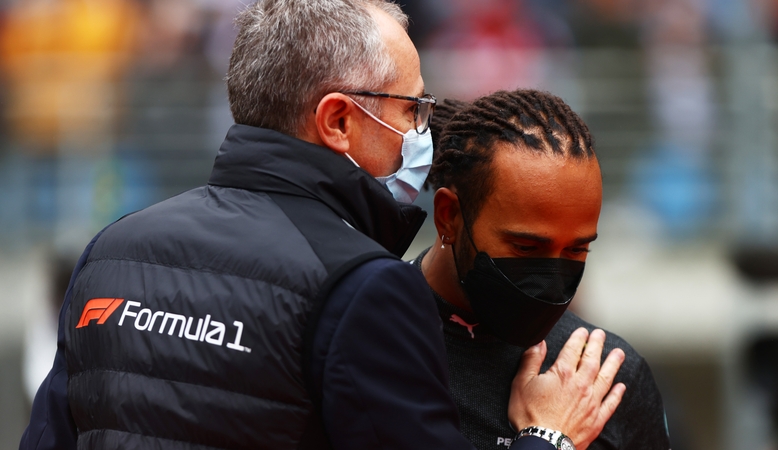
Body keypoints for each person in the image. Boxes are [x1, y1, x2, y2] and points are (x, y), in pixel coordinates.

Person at [20, 2, 625, 449]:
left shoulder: (112, 251)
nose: (424, 132)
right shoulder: (364, 288)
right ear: (337, 121)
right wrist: (548, 438)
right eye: (413, 108)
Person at [414, 90, 672, 450]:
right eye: (526, 247)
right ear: (449, 217)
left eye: (577, 249)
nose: (550, 280)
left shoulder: (605, 381)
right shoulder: (369, 338)